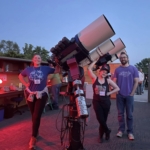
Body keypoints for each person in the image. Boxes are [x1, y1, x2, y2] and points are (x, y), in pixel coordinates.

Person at [18, 54, 55, 149]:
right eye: (35, 58)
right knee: (33, 115)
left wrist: (57, 63)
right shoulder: (28, 69)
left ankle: (33, 137)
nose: (37, 59)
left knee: (36, 115)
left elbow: (56, 70)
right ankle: (36, 131)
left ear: (41, 60)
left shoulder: (45, 68)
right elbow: (20, 76)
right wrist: (25, 84)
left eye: (39, 58)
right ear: (32, 60)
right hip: (30, 94)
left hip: (41, 94)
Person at [88, 61, 119, 143]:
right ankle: (107, 131)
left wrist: (109, 93)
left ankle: (101, 136)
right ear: (99, 71)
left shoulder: (108, 80)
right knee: (100, 119)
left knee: (103, 120)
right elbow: (89, 69)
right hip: (97, 102)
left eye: (106, 72)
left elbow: (117, 88)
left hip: (106, 102)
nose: (104, 73)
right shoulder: (95, 79)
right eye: (103, 71)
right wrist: (95, 60)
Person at [113, 52, 139, 140]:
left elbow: (136, 81)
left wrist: (132, 93)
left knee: (130, 115)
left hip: (129, 96)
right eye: (121, 57)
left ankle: (130, 132)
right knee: (120, 114)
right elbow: (113, 81)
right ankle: (121, 130)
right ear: (120, 59)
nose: (123, 59)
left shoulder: (133, 69)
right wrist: (115, 90)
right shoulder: (117, 70)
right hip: (119, 96)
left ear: (127, 58)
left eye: (124, 57)